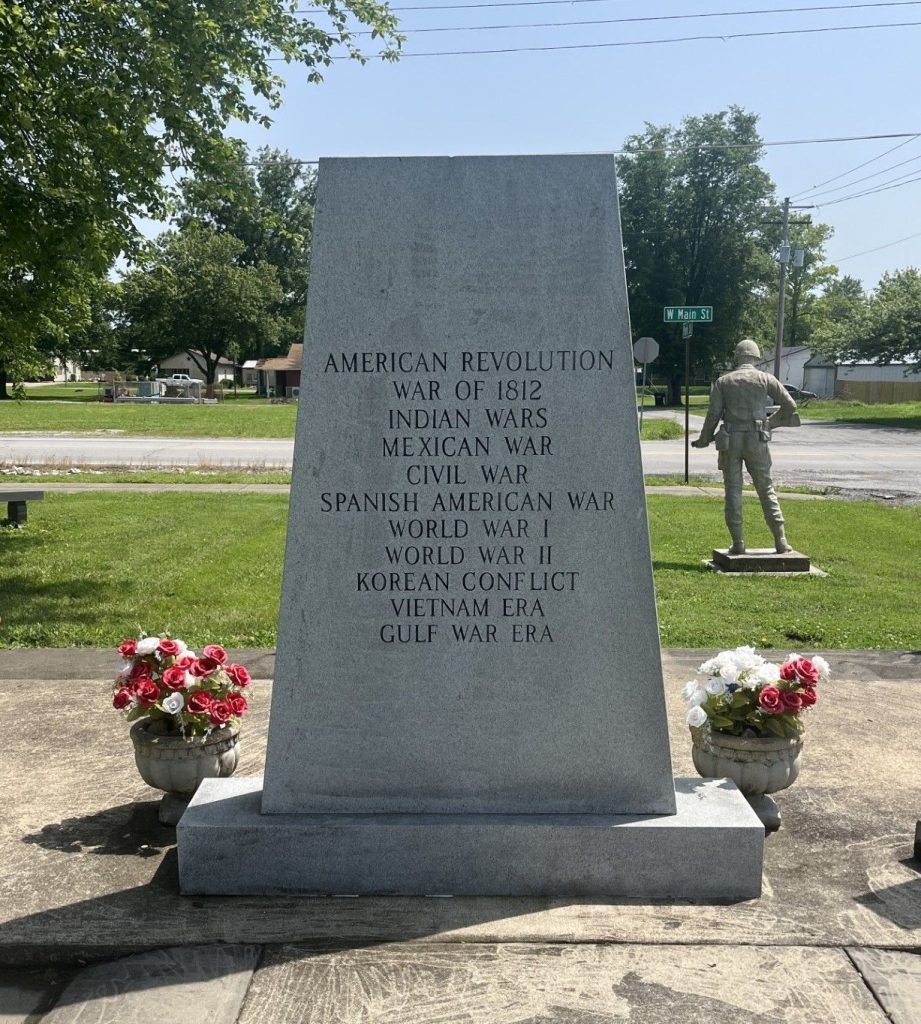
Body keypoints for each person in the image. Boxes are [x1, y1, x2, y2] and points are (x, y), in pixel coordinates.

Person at [691, 339, 799, 554]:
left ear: (737, 357)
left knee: (733, 491)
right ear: (756, 358)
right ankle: (781, 541)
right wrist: (770, 423)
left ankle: (738, 543)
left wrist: (704, 439)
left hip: (731, 440)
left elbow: (713, 414)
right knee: (766, 489)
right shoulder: (765, 378)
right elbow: (791, 405)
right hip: (757, 439)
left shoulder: (724, 381)